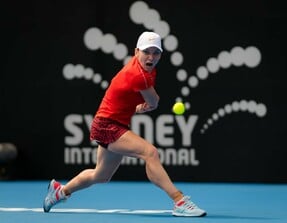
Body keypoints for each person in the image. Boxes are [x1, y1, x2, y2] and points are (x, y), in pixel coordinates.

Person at [43, 31, 206, 217]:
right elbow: (154, 101)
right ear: (136, 51)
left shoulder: (145, 69)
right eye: (146, 52)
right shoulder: (139, 75)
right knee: (150, 153)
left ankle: (59, 192)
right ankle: (179, 201)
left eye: (156, 52)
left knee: (101, 175)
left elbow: (136, 99)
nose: (151, 57)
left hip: (109, 123)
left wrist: (137, 108)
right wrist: (147, 106)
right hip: (107, 125)